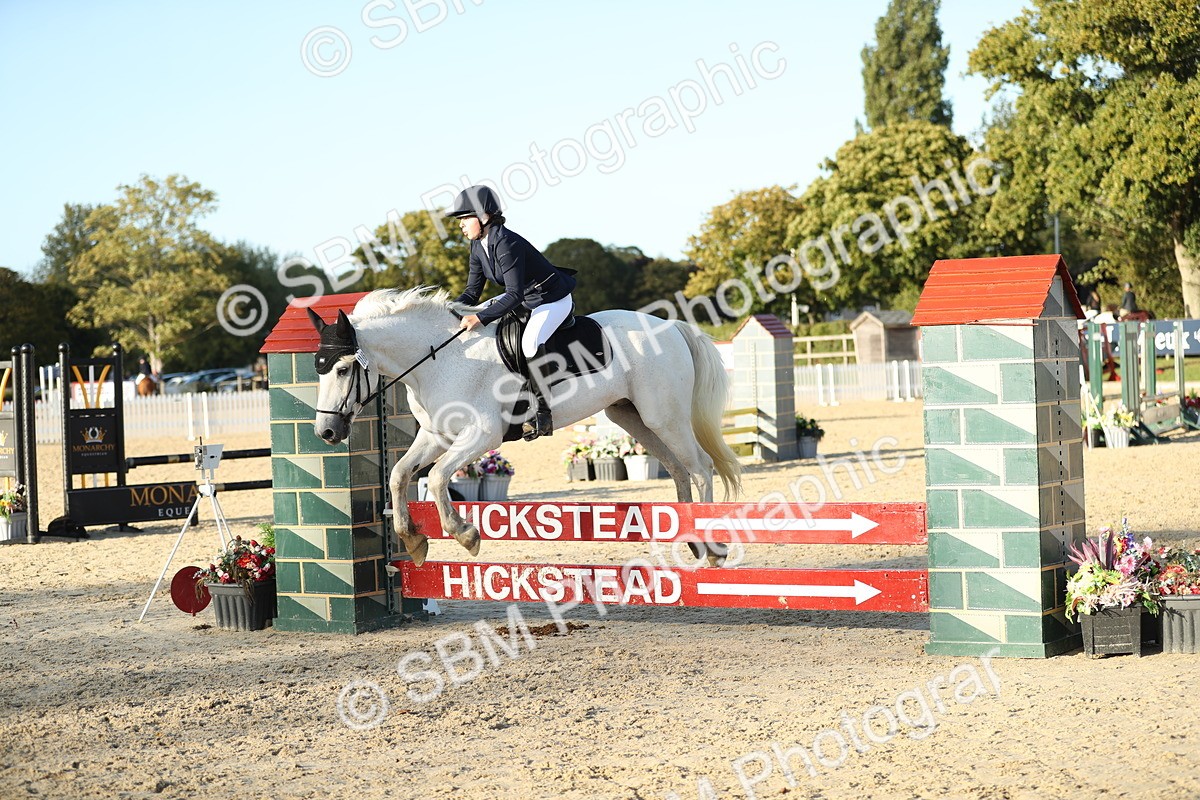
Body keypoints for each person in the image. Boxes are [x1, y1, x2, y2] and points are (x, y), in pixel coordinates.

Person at [446, 185, 578, 441]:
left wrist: (480, 317)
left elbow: (514, 294)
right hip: (526, 299)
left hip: (550, 299)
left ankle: (542, 413)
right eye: (460, 220)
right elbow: (472, 293)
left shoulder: (506, 242)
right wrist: (448, 310)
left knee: (530, 343)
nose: (460, 225)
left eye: (465, 218)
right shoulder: (478, 246)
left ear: (484, 216)